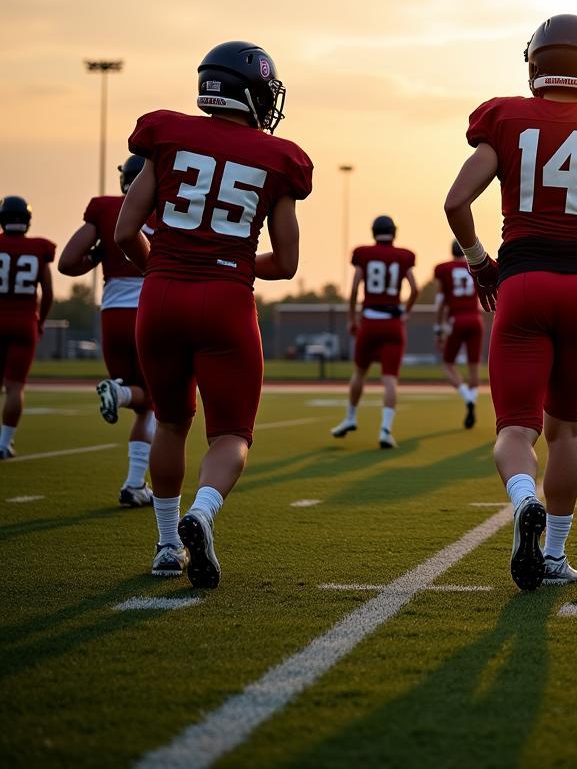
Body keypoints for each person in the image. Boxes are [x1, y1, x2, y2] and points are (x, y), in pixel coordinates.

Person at [444, 14, 577, 590]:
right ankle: (556, 556)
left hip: (522, 281)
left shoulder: (507, 118)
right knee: (567, 431)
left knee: (516, 428)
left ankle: (520, 499)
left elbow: (456, 202)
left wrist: (479, 261)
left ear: (535, 62)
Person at [115, 41, 313, 586]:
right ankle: (199, 514)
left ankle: (162, 545)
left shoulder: (168, 136)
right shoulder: (280, 158)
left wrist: (167, 267)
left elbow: (125, 232)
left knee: (172, 419)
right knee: (231, 434)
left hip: (160, 295)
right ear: (251, 92)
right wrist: (233, 263)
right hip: (227, 299)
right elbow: (289, 264)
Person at [58, 156, 157, 507]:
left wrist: (99, 256)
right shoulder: (170, 206)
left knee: (142, 400)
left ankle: (134, 485)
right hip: (152, 311)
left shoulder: (104, 209)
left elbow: (68, 262)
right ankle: (120, 397)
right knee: (158, 403)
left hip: (113, 313)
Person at [331, 216, 418, 449]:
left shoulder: (364, 254)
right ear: (394, 232)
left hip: (369, 321)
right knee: (390, 379)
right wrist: (405, 312)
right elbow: (415, 289)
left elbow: (354, 288)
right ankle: (385, 430)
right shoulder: (404, 256)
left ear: (373, 232)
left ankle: (350, 417)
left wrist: (352, 318)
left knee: (359, 372)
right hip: (393, 323)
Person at [0, 197, 54, 459]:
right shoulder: (38, 248)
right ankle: (4, 443)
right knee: (14, 387)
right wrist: (40, 321)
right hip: (23, 322)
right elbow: (48, 292)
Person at [433, 239, 483, 428]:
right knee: (474, 368)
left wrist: (438, 328)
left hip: (456, 320)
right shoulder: (474, 266)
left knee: (447, 364)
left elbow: (440, 301)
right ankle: (473, 398)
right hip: (475, 319)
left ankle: (467, 397)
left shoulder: (444, 269)